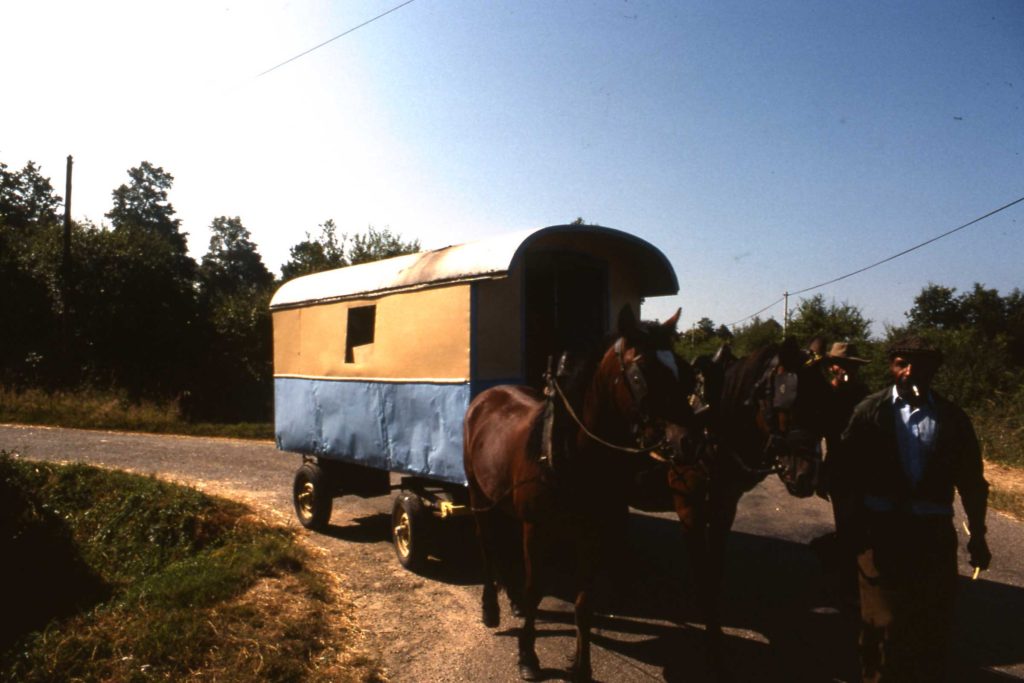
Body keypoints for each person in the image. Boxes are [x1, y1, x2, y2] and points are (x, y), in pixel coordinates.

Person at [833, 336, 991, 682]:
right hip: (879, 535)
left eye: (919, 365)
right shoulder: (869, 412)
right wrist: (850, 530)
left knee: (930, 630)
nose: (909, 372)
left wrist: (978, 536)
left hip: (932, 537)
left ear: (934, 371)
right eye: (901, 364)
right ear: (891, 367)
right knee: (882, 626)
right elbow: (842, 473)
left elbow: (972, 482)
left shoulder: (952, 418)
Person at [819, 341, 872, 604]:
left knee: (859, 525)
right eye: (841, 365)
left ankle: (852, 579)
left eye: (850, 366)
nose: (844, 369)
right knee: (848, 524)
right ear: (832, 367)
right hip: (840, 468)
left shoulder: (864, 393)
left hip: (866, 466)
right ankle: (846, 580)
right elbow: (821, 430)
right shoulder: (828, 394)